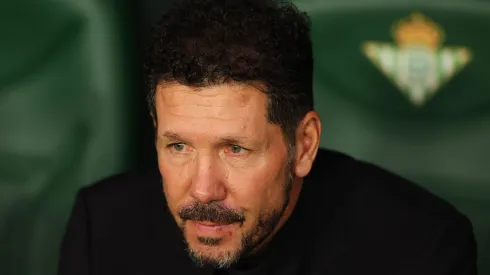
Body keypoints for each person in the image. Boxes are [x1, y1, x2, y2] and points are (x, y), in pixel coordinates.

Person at [57, 0, 477, 274]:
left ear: (305, 144)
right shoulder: (103, 229)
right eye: (178, 146)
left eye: (235, 149)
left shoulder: (423, 250)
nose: (203, 190)